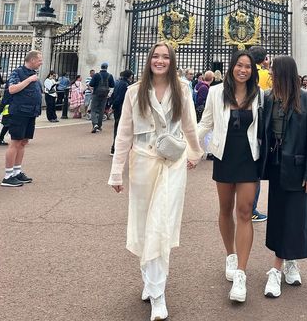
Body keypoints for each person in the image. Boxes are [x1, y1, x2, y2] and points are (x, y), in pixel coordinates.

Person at [108, 42, 203, 321]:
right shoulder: (134, 92)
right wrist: (116, 171)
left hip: (172, 165)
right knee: (143, 224)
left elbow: (189, 125)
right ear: (149, 60)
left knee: (161, 224)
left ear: (172, 62)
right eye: (156, 57)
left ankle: (158, 293)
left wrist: (195, 153)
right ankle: (149, 280)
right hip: (142, 163)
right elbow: (124, 134)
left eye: (165, 57)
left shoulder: (182, 90)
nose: (160, 61)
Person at [198, 50, 263, 303]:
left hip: (249, 157)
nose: (243, 70)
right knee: (225, 209)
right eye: (239, 65)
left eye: (247, 66)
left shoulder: (259, 96)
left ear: (252, 71)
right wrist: (190, 148)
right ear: (232, 67)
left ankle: (241, 274)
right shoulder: (216, 92)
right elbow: (205, 124)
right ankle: (230, 255)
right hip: (224, 156)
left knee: (245, 212)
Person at [259, 55, 307, 298]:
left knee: (296, 216)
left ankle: (281, 265)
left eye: (273, 70)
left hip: (297, 166)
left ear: (283, 72)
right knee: (278, 215)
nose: (270, 73)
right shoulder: (268, 98)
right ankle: (285, 260)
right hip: (274, 165)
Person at [1, 50, 43, 187]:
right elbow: (12, 89)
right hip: (19, 112)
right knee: (15, 142)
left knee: (23, 142)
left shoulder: (33, 74)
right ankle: (7, 176)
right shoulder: (17, 72)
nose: (41, 62)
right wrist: (29, 80)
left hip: (30, 113)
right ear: (32, 60)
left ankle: (16, 172)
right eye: (39, 60)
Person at [247, 45, 271, 223]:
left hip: (242, 123)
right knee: (256, 171)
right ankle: (251, 208)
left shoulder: (243, 71)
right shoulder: (265, 75)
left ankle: (242, 204)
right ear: (264, 59)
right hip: (260, 128)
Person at [110, 69, 133, 156]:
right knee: (121, 129)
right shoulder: (126, 85)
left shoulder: (118, 82)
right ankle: (116, 147)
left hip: (118, 108)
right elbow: (120, 97)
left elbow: (113, 95)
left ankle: (115, 147)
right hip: (122, 108)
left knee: (118, 127)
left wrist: (112, 105)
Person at [89, 62, 115, 133]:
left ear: (101, 67)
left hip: (96, 94)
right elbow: (112, 85)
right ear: (107, 67)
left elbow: (91, 84)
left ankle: (94, 124)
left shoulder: (96, 75)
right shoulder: (110, 75)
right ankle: (99, 125)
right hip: (104, 95)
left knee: (93, 109)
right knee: (101, 110)